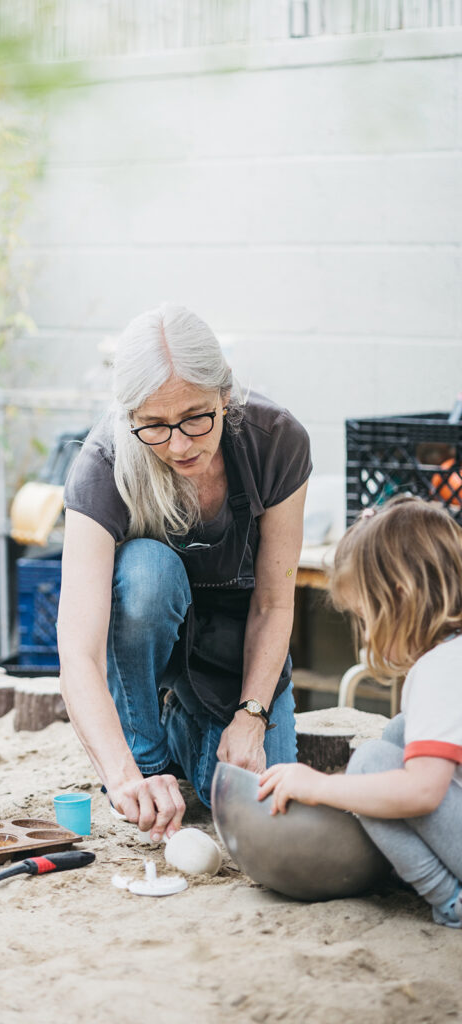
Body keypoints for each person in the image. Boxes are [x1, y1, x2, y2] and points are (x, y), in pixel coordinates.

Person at [57, 303, 311, 844]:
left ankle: (186, 727)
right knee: (147, 572)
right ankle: (150, 753)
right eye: (153, 425)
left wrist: (251, 715)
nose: (178, 444)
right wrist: (128, 778)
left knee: (253, 810)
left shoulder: (277, 441)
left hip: (238, 646)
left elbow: (275, 603)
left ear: (225, 395)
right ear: (130, 417)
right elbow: (76, 651)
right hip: (152, 642)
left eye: (196, 417)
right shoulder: (102, 465)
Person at [258, 496, 462, 928]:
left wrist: (319, 786)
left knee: (370, 763)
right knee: (398, 737)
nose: (366, 634)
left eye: (365, 618)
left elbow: (423, 792)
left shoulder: (440, 670)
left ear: (401, 599)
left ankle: (450, 900)